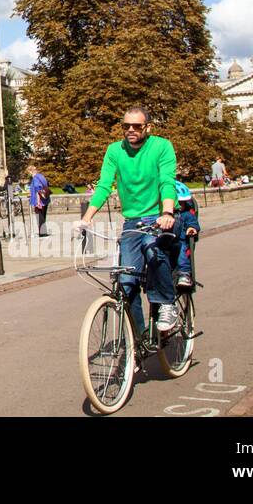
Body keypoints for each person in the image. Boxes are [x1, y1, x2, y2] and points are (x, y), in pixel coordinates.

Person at [73, 106, 180, 334]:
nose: (130, 130)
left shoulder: (162, 147)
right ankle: (138, 341)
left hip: (160, 217)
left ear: (147, 127)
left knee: (152, 250)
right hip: (133, 220)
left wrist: (168, 213)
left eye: (137, 126)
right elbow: (104, 186)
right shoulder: (114, 151)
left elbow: (166, 182)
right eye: (126, 126)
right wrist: (86, 219)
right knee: (126, 281)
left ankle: (167, 304)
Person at [172, 182, 200, 288]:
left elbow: (192, 222)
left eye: (182, 203)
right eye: (177, 203)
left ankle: (184, 274)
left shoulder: (186, 214)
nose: (179, 206)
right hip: (165, 240)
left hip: (180, 240)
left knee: (182, 253)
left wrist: (192, 228)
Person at [28, 165, 51, 237]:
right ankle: (44, 231)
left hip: (39, 200)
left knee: (39, 216)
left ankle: (42, 233)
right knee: (43, 216)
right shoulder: (41, 176)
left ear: (31, 171)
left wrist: (38, 202)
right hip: (45, 199)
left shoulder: (35, 178)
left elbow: (38, 190)